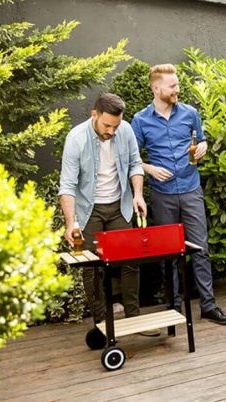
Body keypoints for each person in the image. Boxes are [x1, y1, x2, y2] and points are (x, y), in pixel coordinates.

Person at [131, 63, 226, 325]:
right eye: (172, 85)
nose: (177, 89)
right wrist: (150, 169)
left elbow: (201, 140)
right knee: (169, 252)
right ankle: (174, 306)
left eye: (177, 84)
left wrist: (203, 146)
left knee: (200, 248)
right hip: (162, 194)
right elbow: (131, 159)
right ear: (156, 88)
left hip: (190, 190)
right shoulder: (140, 120)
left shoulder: (190, 113)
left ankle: (208, 306)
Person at [58, 93, 158, 336]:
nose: (112, 131)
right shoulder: (76, 138)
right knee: (91, 267)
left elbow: (135, 164)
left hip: (119, 207)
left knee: (130, 261)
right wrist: (71, 223)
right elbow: (67, 185)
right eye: (107, 125)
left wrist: (137, 194)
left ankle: (134, 319)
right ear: (94, 115)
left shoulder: (124, 130)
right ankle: (102, 323)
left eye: (116, 125)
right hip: (89, 210)